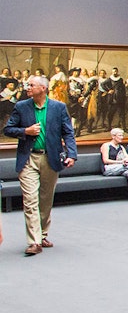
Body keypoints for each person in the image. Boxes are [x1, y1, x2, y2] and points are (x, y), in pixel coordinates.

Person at [3, 75, 77, 256]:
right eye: (28, 84)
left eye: (31, 85)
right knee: (30, 201)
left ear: (43, 88)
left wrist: (72, 154)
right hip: (28, 158)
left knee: (45, 199)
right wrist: (25, 131)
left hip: (50, 158)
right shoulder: (21, 106)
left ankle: (42, 234)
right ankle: (34, 242)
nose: (27, 87)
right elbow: (8, 129)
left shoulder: (58, 107)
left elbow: (68, 132)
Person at [100, 128, 128, 201]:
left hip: (120, 168)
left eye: (122, 135)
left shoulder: (121, 147)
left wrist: (127, 160)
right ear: (113, 136)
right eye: (119, 135)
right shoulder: (106, 145)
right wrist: (121, 162)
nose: (122, 137)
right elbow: (105, 160)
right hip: (108, 168)